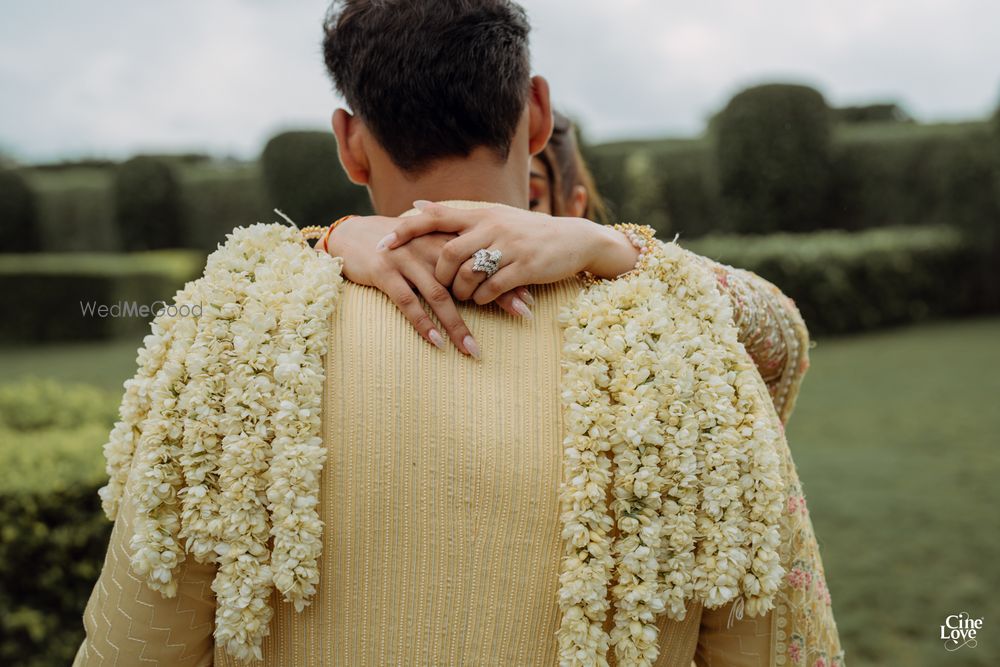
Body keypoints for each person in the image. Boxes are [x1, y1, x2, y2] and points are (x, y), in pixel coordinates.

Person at [74, 1, 844, 666]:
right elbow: (780, 642)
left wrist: (315, 242)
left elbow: (135, 642)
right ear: (537, 115)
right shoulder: (687, 343)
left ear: (348, 142)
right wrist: (625, 254)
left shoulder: (234, 338)